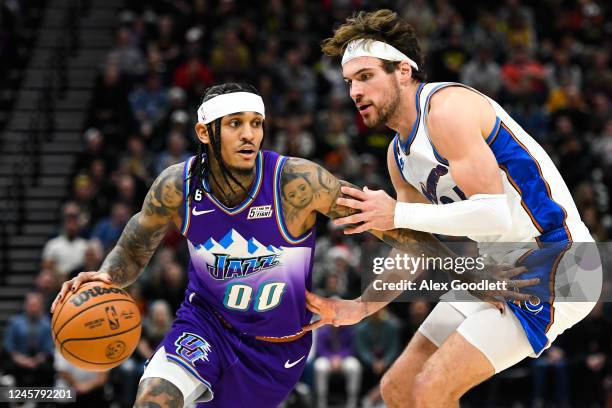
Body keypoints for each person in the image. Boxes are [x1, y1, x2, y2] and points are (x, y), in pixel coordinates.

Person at [52, 82, 508, 407]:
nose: (250, 133)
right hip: (205, 325)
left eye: (256, 123)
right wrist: (107, 276)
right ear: (205, 133)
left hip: (276, 348)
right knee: (154, 400)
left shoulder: (298, 183)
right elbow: (135, 244)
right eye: (235, 124)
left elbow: (406, 237)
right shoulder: (177, 185)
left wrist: (471, 276)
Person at [306, 9, 601, 408]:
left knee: (431, 389)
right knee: (398, 389)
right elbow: (411, 247)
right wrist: (360, 307)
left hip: (560, 262)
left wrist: (396, 214)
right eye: (349, 82)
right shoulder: (399, 155)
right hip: (498, 266)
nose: (355, 92)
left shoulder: (447, 109)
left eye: (366, 77)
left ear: (404, 71)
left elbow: (493, 213)